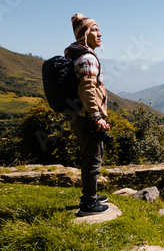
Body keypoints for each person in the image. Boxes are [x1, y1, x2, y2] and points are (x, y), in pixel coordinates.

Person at [65, 13, 110, 215]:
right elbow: (87, 88)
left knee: (91, 156)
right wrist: (97, 115)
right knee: (92, 158)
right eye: (94, 29)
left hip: (81, 115)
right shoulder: (87, 57)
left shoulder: (78, 54)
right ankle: (89, 204)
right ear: (84, 34)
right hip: (87, 116)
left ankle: (90, 194)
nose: (99, 33)